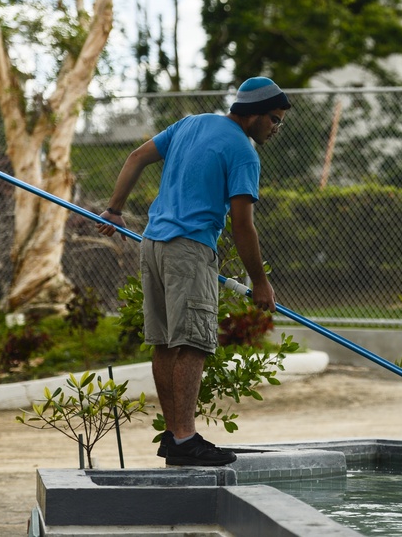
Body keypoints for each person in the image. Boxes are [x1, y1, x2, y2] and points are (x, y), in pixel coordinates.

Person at [97, 76, 290, 466]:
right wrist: (260, 282)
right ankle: (185, 439)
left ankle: (173, 436)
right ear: (252, 114)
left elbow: (136, 156)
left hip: (152, 245)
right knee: (192, 344)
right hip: (189, 250)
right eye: (273, 118)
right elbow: (242, 225)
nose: (276, 127)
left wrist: (114, 210)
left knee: (166, 343)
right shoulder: (244, 153)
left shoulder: (191, 123)